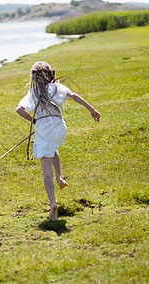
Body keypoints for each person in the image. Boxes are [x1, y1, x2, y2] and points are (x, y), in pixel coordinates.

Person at [16, 61, 100, 222]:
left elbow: (19, 109)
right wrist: (92, 110)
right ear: (50, 74)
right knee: (52, 146)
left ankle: (53, 203)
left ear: (34, 77)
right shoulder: (57, 87)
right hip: (60, 128)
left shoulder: (34, 91)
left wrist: (34, 121)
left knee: (46, 172)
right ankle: (60, 177)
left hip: (43, 127)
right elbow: (74, 96)